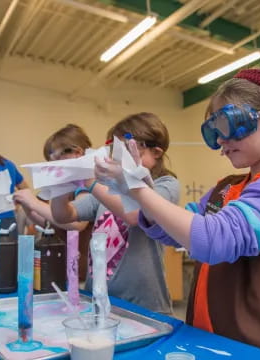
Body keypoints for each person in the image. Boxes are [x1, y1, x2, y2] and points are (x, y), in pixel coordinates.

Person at [95, 68, 260, 359]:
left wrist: (136, 190)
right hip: (220, 345)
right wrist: (139, 182)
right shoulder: (226, 190)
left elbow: (212, 240)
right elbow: (172, 229)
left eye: (231, 125)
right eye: (213, 132)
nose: (222, 142)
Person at [51, 113, 180, 314]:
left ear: (156, 152)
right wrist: (61, 185)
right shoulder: (107, 188)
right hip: (100, 304)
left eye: (127, 150)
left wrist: (89, 181)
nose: (117, 158)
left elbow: (135, 214)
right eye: (115, 149)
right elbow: (64, 216)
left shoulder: (167, 186)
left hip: (145, 307)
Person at [13, 124, 93, 280]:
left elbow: (76, 223)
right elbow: (49, 222)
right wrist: (28, 206)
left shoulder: (88, 183)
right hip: (59, 267)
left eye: (56, 157)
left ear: (77, 153)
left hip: (80, 272)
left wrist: (34, 203)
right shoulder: (67, 184)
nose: (51, 164)